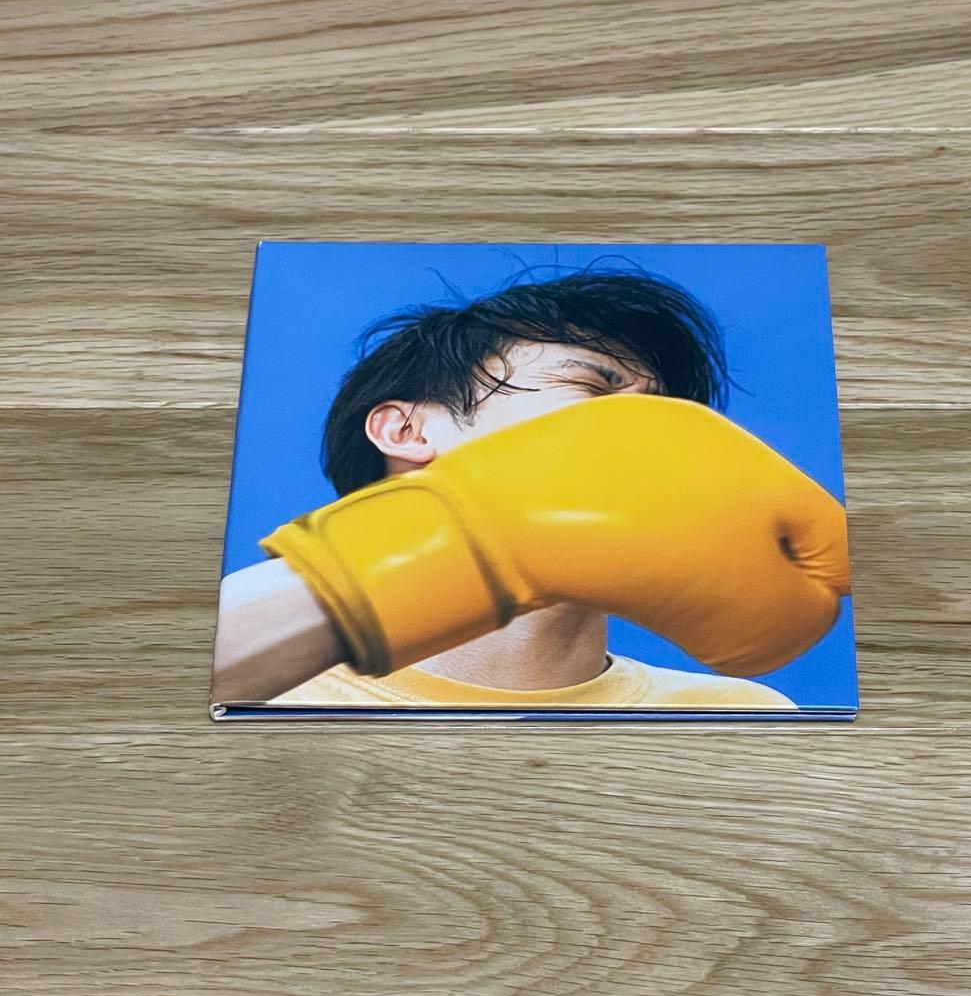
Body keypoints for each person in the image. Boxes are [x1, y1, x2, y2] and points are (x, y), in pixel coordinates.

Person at [212, 269, 802, 710]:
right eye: (594, 389)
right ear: (407, 430)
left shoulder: (737, 713)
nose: (653, 429)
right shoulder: (263, 694)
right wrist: (479, 536)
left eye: (669, 413)